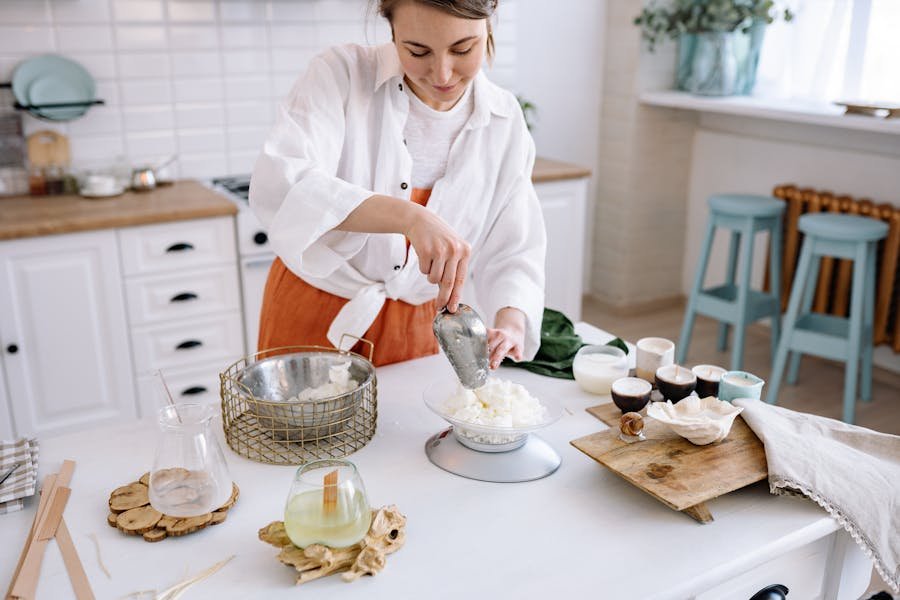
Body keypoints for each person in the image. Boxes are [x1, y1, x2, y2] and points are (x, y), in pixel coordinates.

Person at [249, 0, 545, 369]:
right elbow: (283, 183)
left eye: (463, 49)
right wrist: (409, 218)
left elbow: (515, 245)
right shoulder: (340, 75)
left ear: (488, 27)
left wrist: (512, 323)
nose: (443, 73)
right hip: (316, 313)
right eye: (417, 51)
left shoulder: (504, 119)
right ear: (392, 33)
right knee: (300, 427)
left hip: (419, 330)